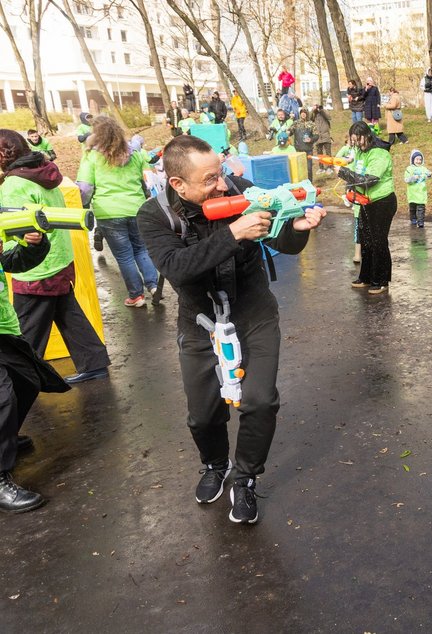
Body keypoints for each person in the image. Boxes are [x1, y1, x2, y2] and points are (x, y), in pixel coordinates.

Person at [138, 135, 324, 524]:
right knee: (203, 414)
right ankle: (214, 464)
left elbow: (283, 240)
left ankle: (245, 478)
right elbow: (177, 267)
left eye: (220, 173)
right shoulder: (154, 216)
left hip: (253, 311)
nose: (222, 184)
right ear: (178, 184)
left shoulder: (239, 188)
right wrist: (233, 232)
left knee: (259, 402)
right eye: (209, 179)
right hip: (200, 321)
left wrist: (300, 227)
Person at [0, 129, 109, 386]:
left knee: (26, 328)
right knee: (69, 315)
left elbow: (14, 229)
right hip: (60, 257)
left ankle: (20, 380)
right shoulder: (44, 170)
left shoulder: (15, 185)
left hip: (36, 267)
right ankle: (94, 363)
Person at [0, 219, 70, 512]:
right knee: (2, 398)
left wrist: (33, 244)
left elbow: (12, 262)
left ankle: (6, 437)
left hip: (4, 327)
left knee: (27, 381)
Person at [76, 116, 159, 307]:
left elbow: (85, 188)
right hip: (137, 208)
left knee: (124, 255)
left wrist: (83, 206)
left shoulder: (92, 157)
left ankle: (136, 296)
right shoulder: (136, 154)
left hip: (109, 212)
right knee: (141, 249)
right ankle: (153, 285)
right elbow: (147, 179)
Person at [337, 122, 396, 294]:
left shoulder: (380, 153)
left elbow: (369, 179)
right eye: (354, 142)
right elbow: (356, 173)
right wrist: (349, 188)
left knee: (378, 241)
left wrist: (343, 173)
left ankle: (382, 280)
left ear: (367, 136)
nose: (358, 145)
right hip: (365, 202)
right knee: (366, 240)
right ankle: (366, 276)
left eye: (359, 140)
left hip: (382, 202)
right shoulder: (360, 152)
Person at [404, 149, 431, 228]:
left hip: (421, 193)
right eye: (417, 159)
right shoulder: (409, 169)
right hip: (412, 193)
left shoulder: (423, 168)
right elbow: (406, 180)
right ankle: (413, 219)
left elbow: (427, 174)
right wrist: (413, 178)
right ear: (413, 160)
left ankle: (421, 222)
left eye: (420, 159)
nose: (419, 161)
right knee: (412, 208)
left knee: (421, 208)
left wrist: (429, 175)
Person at [311, 105, 333, 174]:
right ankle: (321, 168)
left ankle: (329, 167)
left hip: (326, 136)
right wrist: (313, 110)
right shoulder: (314, 115)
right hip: (317, 137)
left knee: (328, 153)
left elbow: (329, 117)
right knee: (319, 154)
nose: (317, 108)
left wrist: (321, 109)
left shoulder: (324, 112)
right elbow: (309, 118)